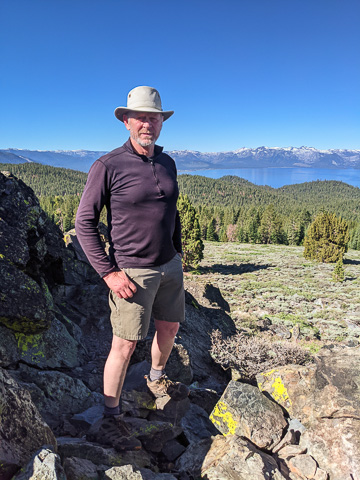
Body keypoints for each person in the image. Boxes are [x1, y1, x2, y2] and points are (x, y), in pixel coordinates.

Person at [75, 86, 188, 451]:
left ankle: (155, 378)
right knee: (124, 345)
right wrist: (109, 272)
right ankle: (109, 417)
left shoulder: (167, 162)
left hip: (169, 265)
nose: (147, 124)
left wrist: (179, 253)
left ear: (161, 123)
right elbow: (84, 222)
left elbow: (172, 213)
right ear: (126, 121)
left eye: (154, 118)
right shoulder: (107, 166)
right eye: (140, 117)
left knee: (168, 328)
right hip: (133, 271)